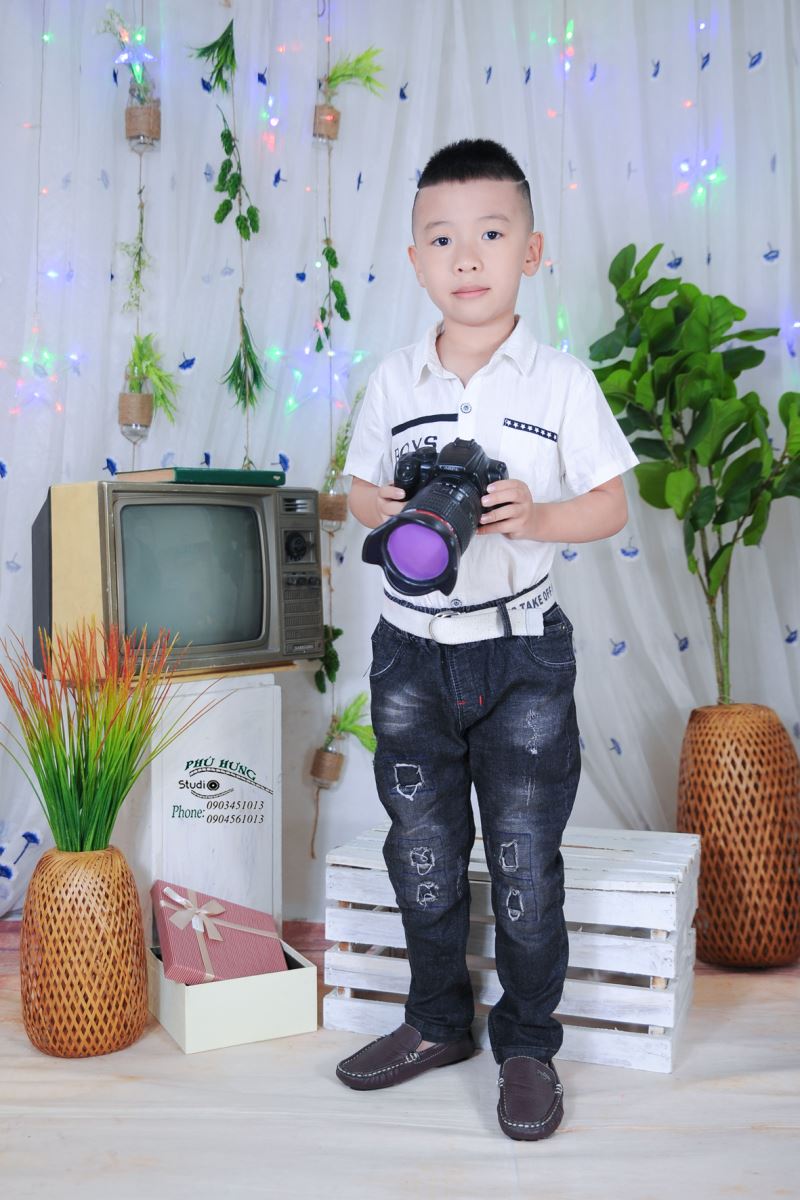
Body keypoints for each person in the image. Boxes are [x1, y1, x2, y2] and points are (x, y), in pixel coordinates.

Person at [335, 138, 639, 1141]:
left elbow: (610, 503)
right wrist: (382, 505)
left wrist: (535, 516)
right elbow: (356, 494)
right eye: (441, 239)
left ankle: (526, 1046)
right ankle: (436, 1025)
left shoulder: (560, 383)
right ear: (415, 261)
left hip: (521, 657)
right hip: (409, 652)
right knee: (422, 854)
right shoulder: (393, 380)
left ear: (531, 251)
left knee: (522, 863)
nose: (466, 257)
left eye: (491, 234)